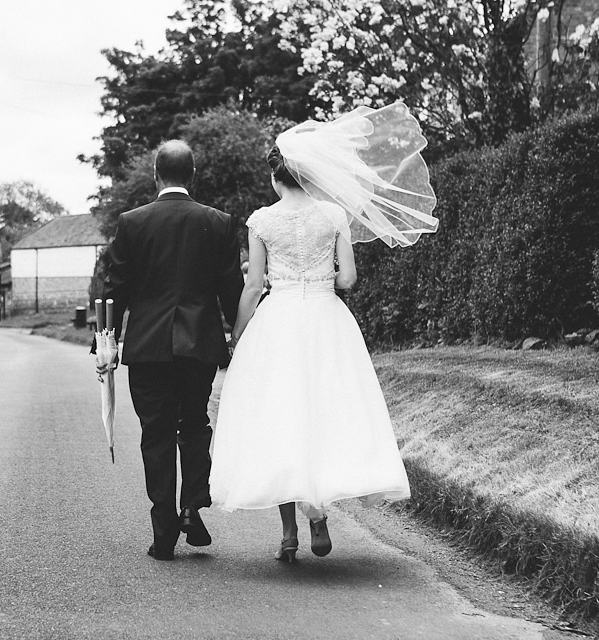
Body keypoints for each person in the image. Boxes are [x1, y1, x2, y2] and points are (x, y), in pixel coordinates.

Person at [209, 102, 438, 561]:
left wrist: (237, 334)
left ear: (276, 178)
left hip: (278, 322)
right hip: (325, 318)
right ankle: (320, 517)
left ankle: (288, 533)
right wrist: (318, 278)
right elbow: (349, 279)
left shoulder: (261, 220)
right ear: (311, 174)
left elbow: (253, 285)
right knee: (324, 410)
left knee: (279, 417)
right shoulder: (333, 216)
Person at [98, 139, 244, 561]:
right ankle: (191, 506)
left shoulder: (132, 223)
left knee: (156, 433)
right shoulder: (218, 222)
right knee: (195, 424)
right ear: (193, 175)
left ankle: (164, 531)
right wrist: (241, 334)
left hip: (148, 348)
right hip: (199, 345)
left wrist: (104, 345)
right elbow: (230, 290)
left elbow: (115, 289)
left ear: (155, 175)